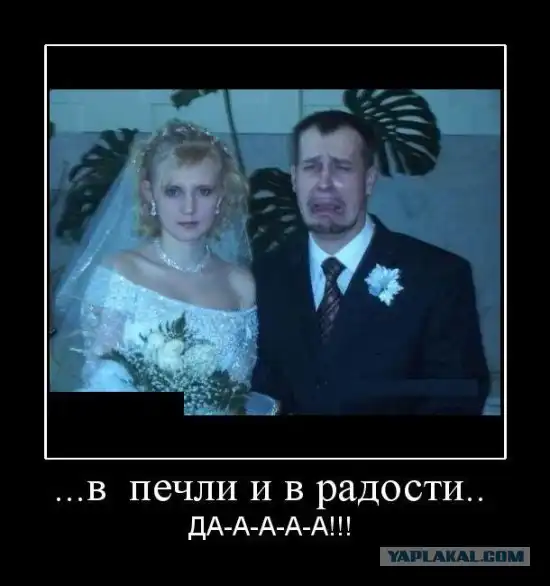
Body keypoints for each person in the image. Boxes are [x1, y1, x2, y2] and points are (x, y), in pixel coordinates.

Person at [251, 110, 490, 415]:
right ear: (295, 179)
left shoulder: (438, 277)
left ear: (369, 180)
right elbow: (259, 388)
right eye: (312, 167)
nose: (325, 183)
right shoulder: (266, 276)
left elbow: (457, 396)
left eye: (342, 168)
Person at [51, 119, 279, 415]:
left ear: (221, 195)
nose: (189, 207)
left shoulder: (241, 284)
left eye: (203, 191)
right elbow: (102, 380)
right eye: (174, 191)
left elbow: (238, 388)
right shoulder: (122, 273)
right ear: (150, 193)